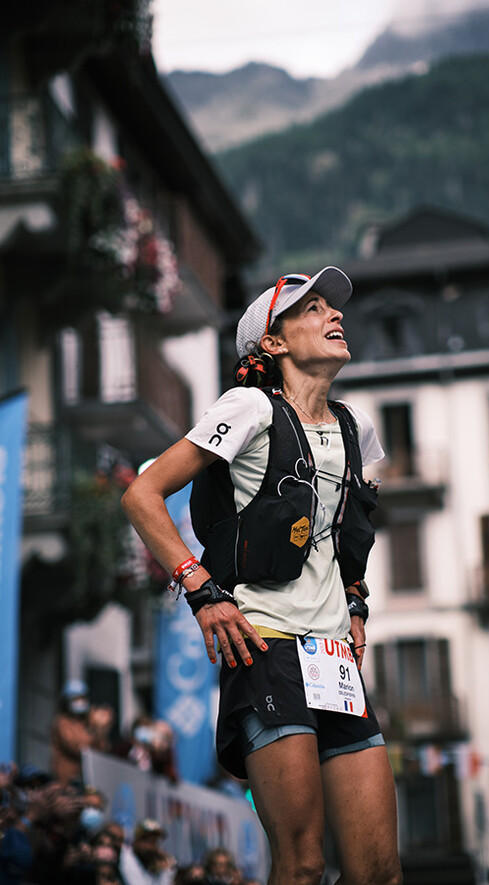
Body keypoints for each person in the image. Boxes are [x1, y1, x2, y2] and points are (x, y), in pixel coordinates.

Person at [122, 267, 402, 885]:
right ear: (271, 344)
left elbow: (341, 541)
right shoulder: (248, 407)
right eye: (312, 310)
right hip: (265, 647)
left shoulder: (357, 428)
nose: (335, 317)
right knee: (301, 864)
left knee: (378, 872)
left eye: (335, 308)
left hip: (333, 659)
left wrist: (355, 604)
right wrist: (201, 593)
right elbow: (142, 494)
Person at [50, 680, 114, 785]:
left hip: (87, 778)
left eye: (82, 698)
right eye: (76, 698)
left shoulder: (85, 723)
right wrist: (94, 727)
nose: (80, 702)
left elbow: (103, 749)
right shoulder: (62, 722)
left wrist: (101, 728)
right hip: (67, 780)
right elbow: (77, 747)